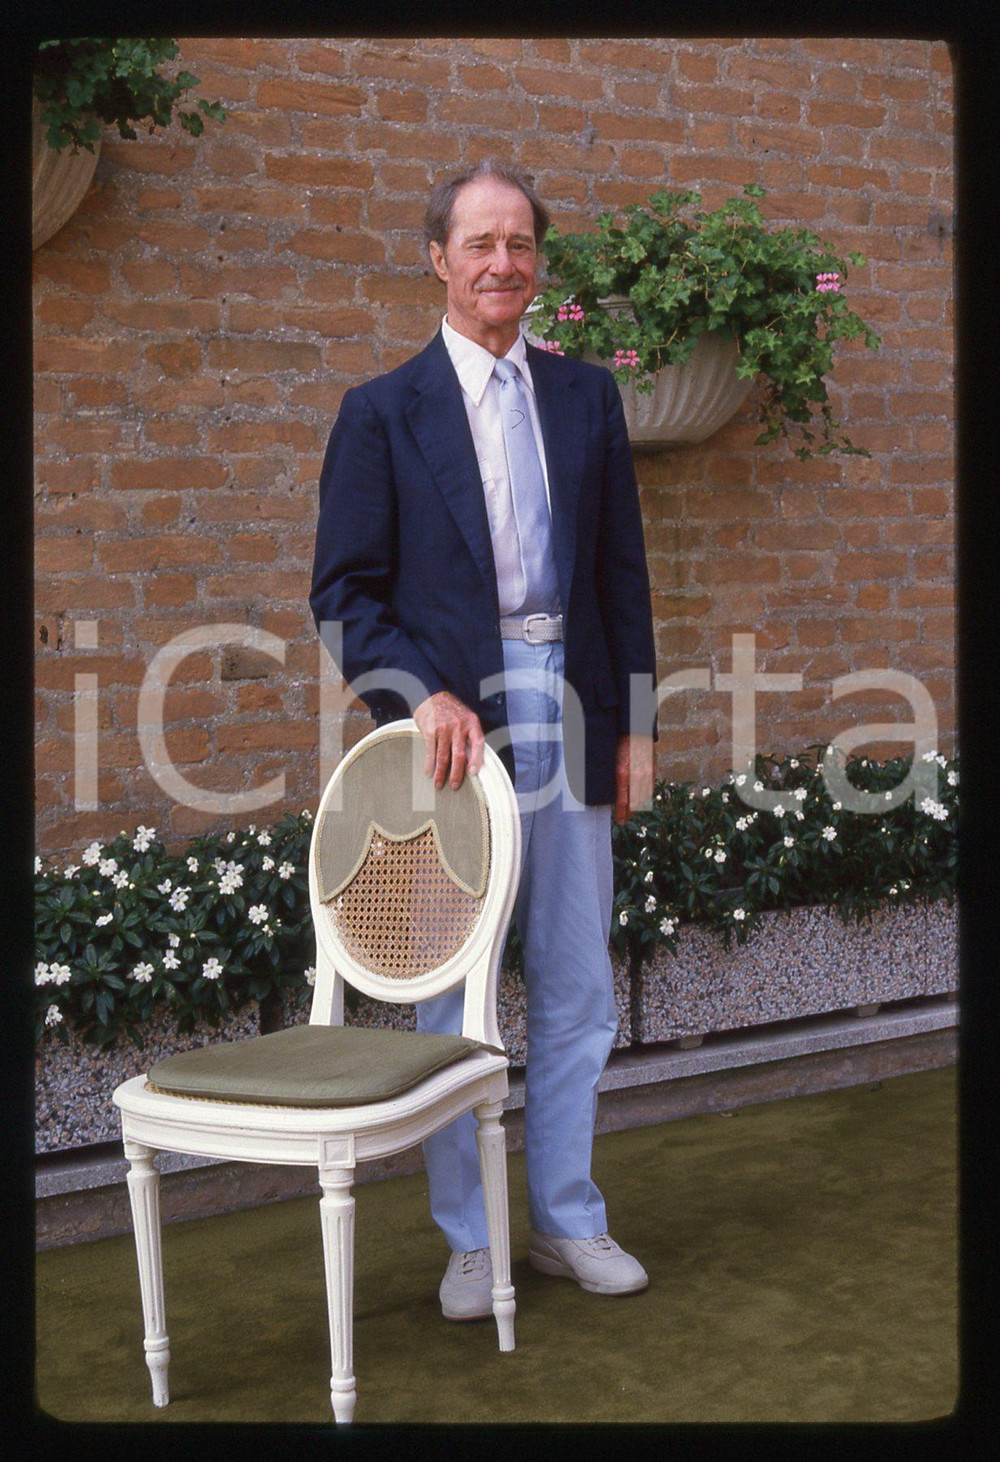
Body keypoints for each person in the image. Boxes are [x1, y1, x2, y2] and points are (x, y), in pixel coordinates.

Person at [310, 160, 658, 1318]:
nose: (500, 263)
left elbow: (622, 575)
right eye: (478, 244)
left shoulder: (586, 398)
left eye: (518, 243)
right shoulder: (379, 411)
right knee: (454, 996)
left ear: (534, 261)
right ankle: (470, 1238)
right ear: (437, 259)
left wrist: (635, 726)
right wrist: (418, 695)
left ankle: (562, 1218)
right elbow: (344, 594)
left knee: (574, 982)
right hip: (452, 730)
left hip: (571, 698)